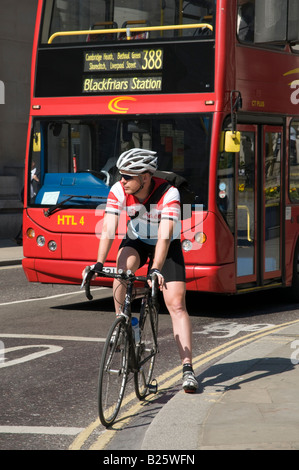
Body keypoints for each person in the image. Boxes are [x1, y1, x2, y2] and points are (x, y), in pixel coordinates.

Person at [83, 148, 198, 393]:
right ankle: (123, 323)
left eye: (127, 176)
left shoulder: (169, 193)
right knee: (121, 270)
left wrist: (156, 269)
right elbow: (109, 228)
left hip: (165, 246)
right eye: (120, 175)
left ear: (145, 177)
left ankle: (187, 368)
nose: (121, 180)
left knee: (176, 303)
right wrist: (99, 263)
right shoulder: (118, 190)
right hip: (136, 240)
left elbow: (165, 237)